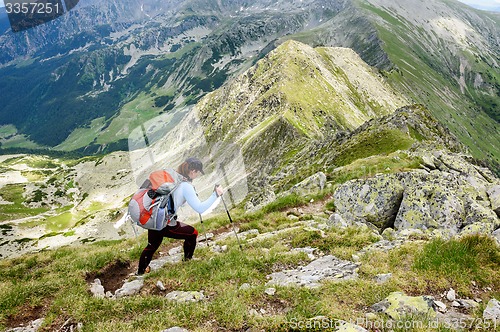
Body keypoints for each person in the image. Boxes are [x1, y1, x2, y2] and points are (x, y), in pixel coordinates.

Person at [137, 157, 223, 275]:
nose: (198, 175)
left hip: (154, 217)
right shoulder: (186, 186)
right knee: (193, 234)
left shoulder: (174, 178)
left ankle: (140, 273)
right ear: (193, 171)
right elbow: (200, 208)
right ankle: (188, 261)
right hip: (166, 222)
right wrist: (215, 195)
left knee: (152, 245)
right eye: (198, 173)